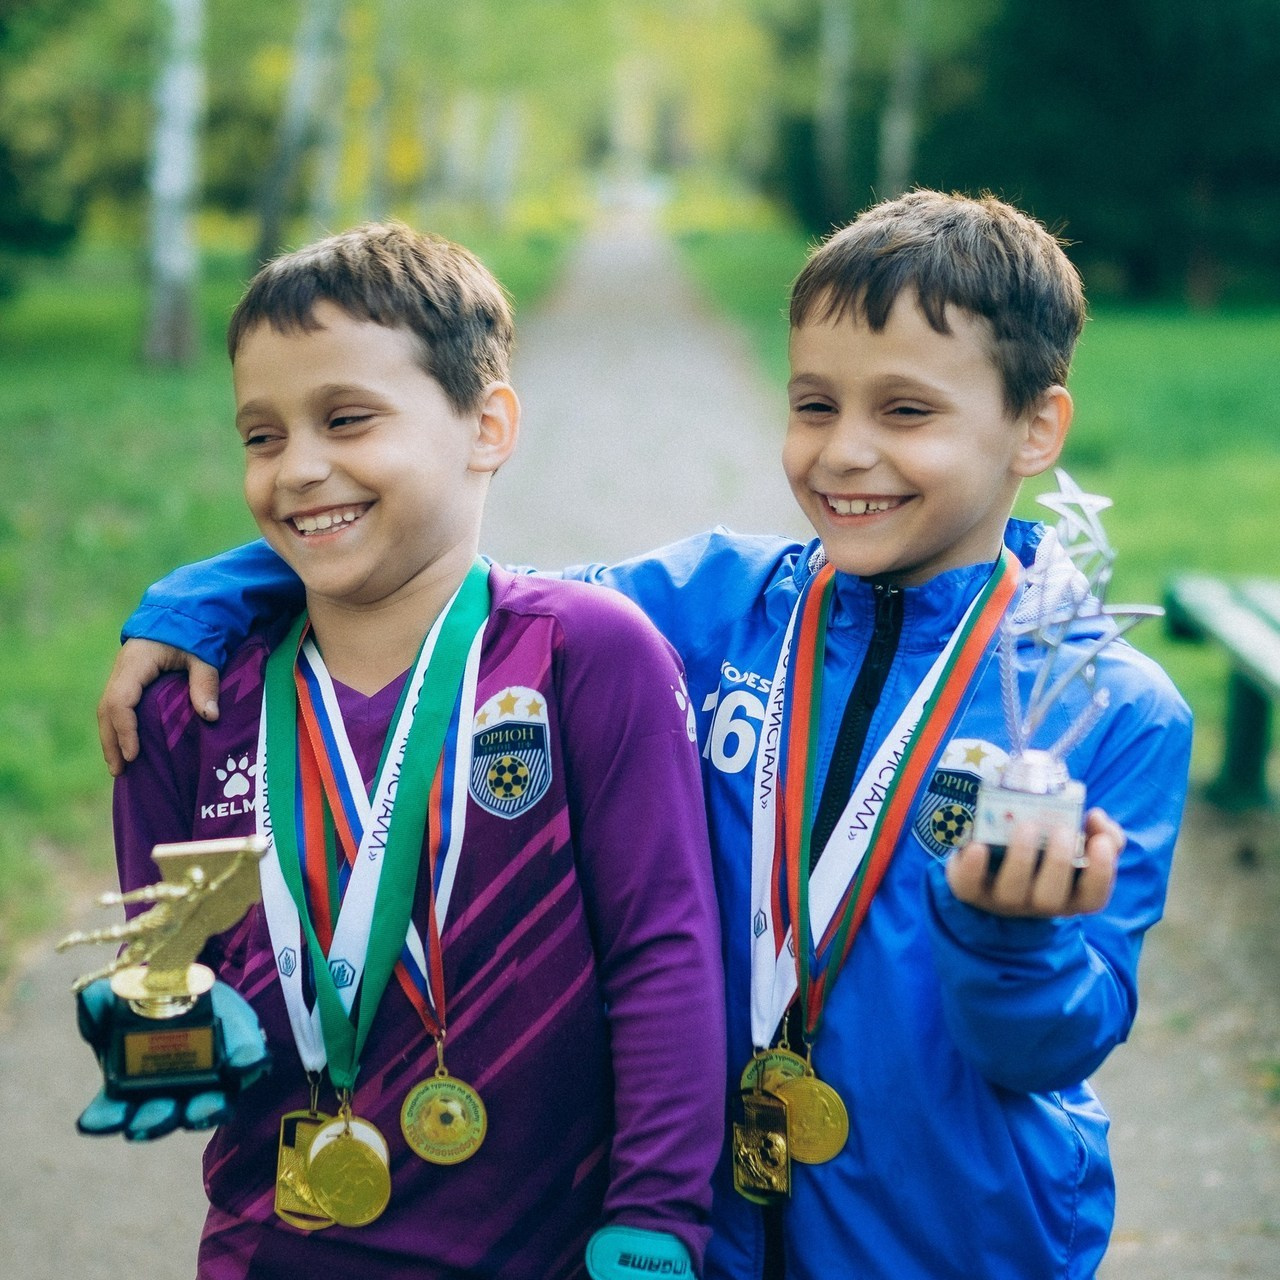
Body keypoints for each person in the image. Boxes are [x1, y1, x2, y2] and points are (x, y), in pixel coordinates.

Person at [97, 192, 1192, 1280]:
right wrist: (208, 591)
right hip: (705, 1226)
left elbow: (1057, 1043)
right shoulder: (706, 604)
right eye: (812, 405)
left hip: (959, 1239)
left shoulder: (1106, 711)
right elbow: (441, 588)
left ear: (1034, 428)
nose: (842, 452)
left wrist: (1010, 942)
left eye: (904, 412)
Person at [93, 222, 726, 1280]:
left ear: (486, 426)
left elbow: (663, 953)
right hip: (272, 1246)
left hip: (557, 1250)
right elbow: (167, 982)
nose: (298, 468)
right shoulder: (185, 705)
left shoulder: (582, 655)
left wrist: (658, 1212)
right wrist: (152, 1030)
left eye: (347, 418)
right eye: (260, 435)